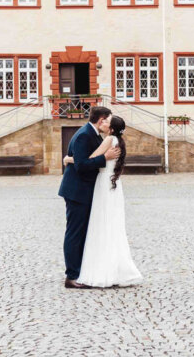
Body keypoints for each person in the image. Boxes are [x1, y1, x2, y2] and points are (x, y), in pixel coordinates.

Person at [62, 115, 143, 288]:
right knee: (110, 226)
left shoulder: (108, 140)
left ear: (111, 128)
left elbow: (87, 160)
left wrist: (68, 159)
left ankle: (91, 271)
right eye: (105, 120)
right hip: (112, 186)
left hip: (103, 186)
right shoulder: (117, 140)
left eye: (108, 122)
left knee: (101, 225)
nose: (104, 123)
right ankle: (109, 269)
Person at [57, 105, 120, 289]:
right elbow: (82, 165)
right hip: (77, 191)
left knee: (82, 232)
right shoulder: (85, 134)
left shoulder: (92, 134)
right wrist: (105, 157)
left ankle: (80, 271)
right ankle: (71, 276)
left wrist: (69, 158)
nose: (109, 124)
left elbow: (78, 158)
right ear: (101, 120)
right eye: (108, 120)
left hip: (83, 190)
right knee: (74, 233)